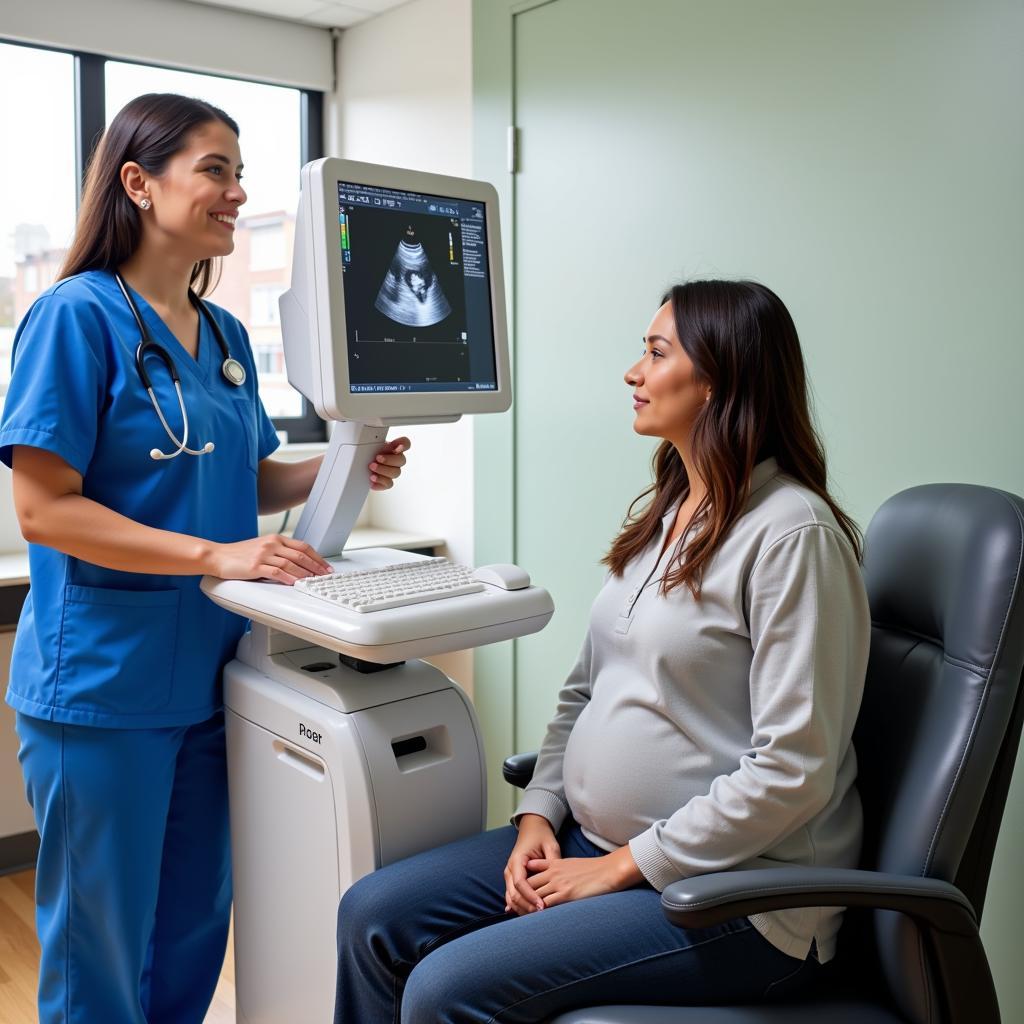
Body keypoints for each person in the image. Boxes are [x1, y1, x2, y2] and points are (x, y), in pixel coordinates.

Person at [334, 279, 871, 1023]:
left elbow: (795, 771)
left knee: (444, 988)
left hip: (739, 893)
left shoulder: (792, 536)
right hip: (594, 840)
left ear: (720, 379)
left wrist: (618, 869)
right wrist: (538, 818)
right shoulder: (672, 512)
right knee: (372, 916)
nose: (633, 372)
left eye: (656, 353)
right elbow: (586, 692)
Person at [0, 93, 409, 1024]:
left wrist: (338, 462)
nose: (236, 192)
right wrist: (215, 554)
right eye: (215, 170)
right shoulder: (75, 316)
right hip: (103, 684)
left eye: (240, 172)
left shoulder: (221, 336)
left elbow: (247, 472)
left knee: (191, 925)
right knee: (97, 941)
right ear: (138, 184)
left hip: (216, 679)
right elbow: (44, 507)